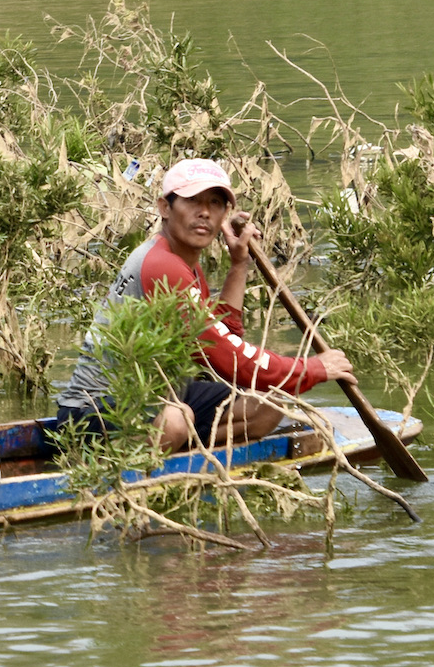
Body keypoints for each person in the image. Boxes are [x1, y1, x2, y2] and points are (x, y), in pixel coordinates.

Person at [46, 158, 356, 453]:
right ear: (165, 208)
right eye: (193, 201)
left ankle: (181, 452)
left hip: (159, 398)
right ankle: (122, 473)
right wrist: (312, 369)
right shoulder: (160, 264)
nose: (205, 212)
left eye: (215, 204)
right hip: (94, 410)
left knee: (268, 404)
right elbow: (227, 357)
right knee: (176, 421)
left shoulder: (182, 262)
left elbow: (225, 334)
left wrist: (238, 265)